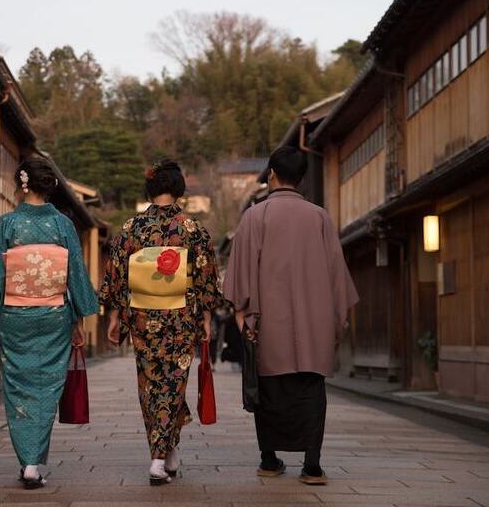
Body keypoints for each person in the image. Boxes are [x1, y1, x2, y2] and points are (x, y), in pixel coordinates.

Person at [223, 146, 358, 485]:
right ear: (301, 178)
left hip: (268, 325)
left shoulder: (255, 216)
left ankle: (269, 459)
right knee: (311, 390)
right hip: (313, 326)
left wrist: (241, 314)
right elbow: (336, 275)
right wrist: (335, 319)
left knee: (267, 392)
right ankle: (312, 465)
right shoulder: (320, 217)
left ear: (271, 174)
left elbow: (239, 273)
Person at [0, 155, 99, 490]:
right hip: (55, 315)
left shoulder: (7, 225)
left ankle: (27, 461)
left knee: (18, 387)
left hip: (13, 315)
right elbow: (75, 274)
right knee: (47, 388)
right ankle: (33, 465)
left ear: (21, 183)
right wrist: (79, 319)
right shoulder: (63, 226)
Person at [100, 158, 221, 486]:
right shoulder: (192, 229)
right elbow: (205, 276)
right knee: (174, 382)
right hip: (180, 317)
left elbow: (117, 276)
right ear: (179, 190)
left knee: (151, 383)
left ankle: (166, 451)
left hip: (143, 317)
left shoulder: (131, 228)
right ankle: (158, 458)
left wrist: (114, 315)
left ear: (151, 188)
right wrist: (206, 315)